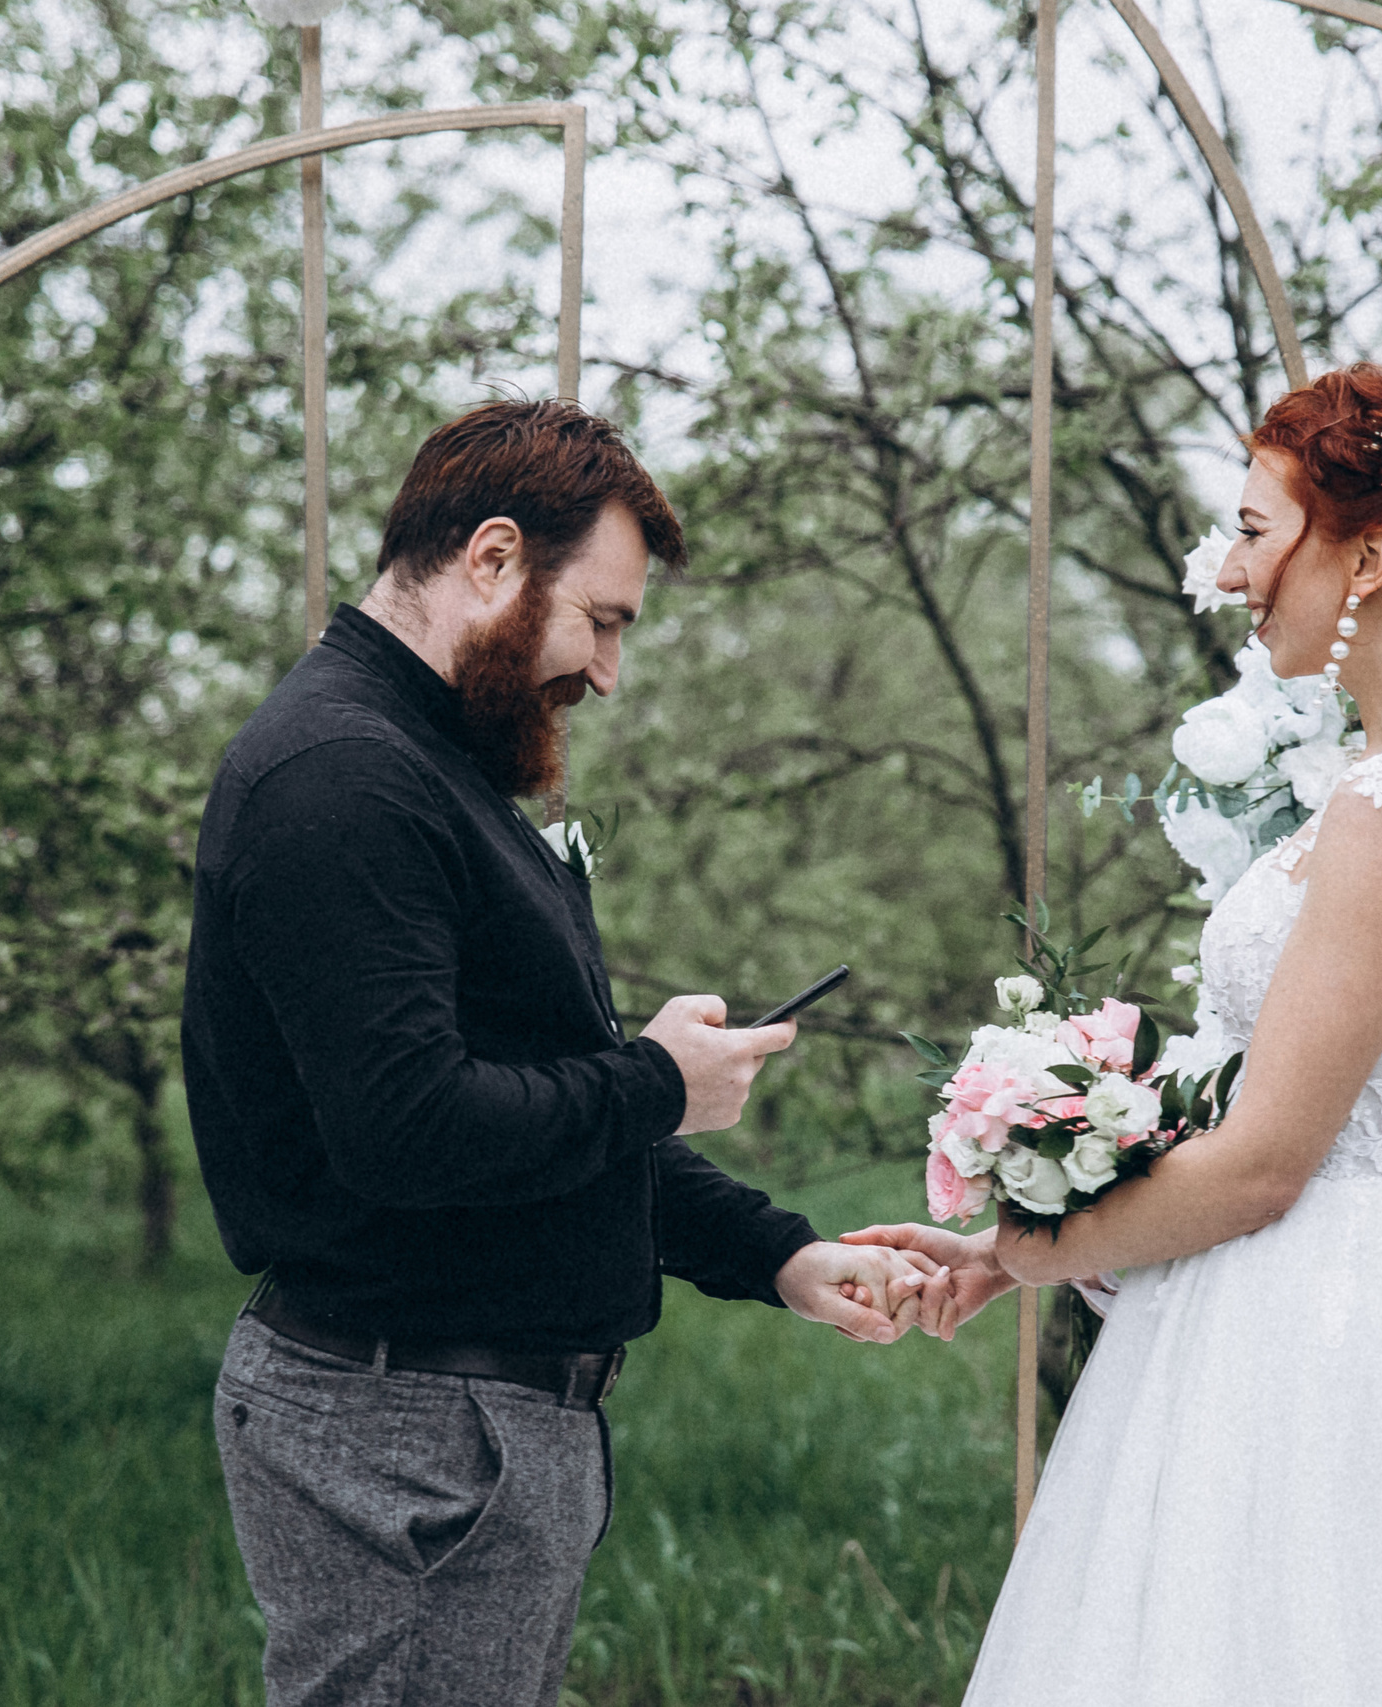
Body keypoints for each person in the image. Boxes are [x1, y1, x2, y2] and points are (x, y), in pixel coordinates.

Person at [849, 364, 1382, 1704]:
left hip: (1313, 1326)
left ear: (1369, 557)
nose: (1228, 570)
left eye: (1250, 529)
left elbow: (1263, 1162)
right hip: (1356, 1286)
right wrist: (1032, 1234)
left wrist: (1022, 1240)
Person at [182, 399, 948, 1707]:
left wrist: (773, 1252)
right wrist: (658, 1084)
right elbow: (409, 1127)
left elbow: (536, 1108)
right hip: (409, 1441)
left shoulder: (428, 766)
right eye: (601, 621)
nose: (606, 673)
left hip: (459, 1434)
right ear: (491, 559)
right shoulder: (343, 778)